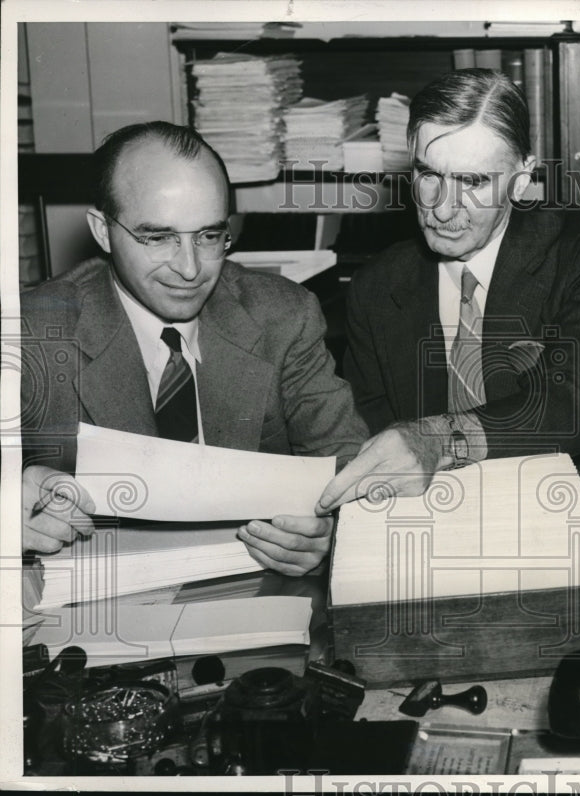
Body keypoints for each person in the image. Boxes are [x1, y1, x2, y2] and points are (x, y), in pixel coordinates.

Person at [20, 122, 369, 574]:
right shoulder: (33, 333)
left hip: (252, 595)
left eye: (208, 236)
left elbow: (352, 470)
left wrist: (333, 535)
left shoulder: (282, 316)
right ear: (103, 232)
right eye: (159, 237)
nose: (189, 269)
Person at [316, 68, 580, 511]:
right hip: (427, 514)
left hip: (564, 503)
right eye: (429, 175)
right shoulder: (377, 286)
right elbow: (366, 431)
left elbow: (572, 405)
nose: (443, 209)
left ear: (521, 180)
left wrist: (437, 439)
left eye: (474, 182)